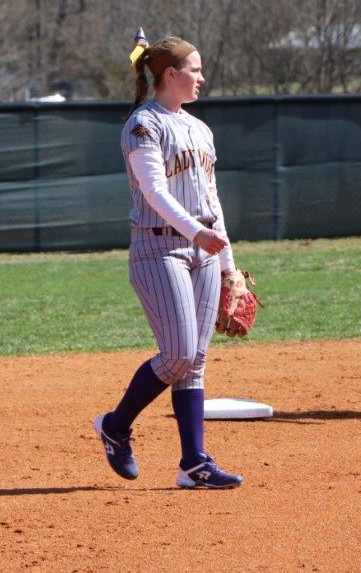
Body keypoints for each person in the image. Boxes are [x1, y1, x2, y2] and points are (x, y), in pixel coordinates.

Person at [93, 35, 244, 489]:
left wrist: (229, 266)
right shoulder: (143, 124)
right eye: (194, 70)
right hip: (158, 248)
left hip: (204, 250)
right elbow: (154, 190)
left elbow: (212, 201)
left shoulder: (200, 129)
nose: (202, 78)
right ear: (171, 74)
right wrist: (196, 233)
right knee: (178, 353)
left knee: (194, 360)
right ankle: (115, 425)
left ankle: (194, 463)